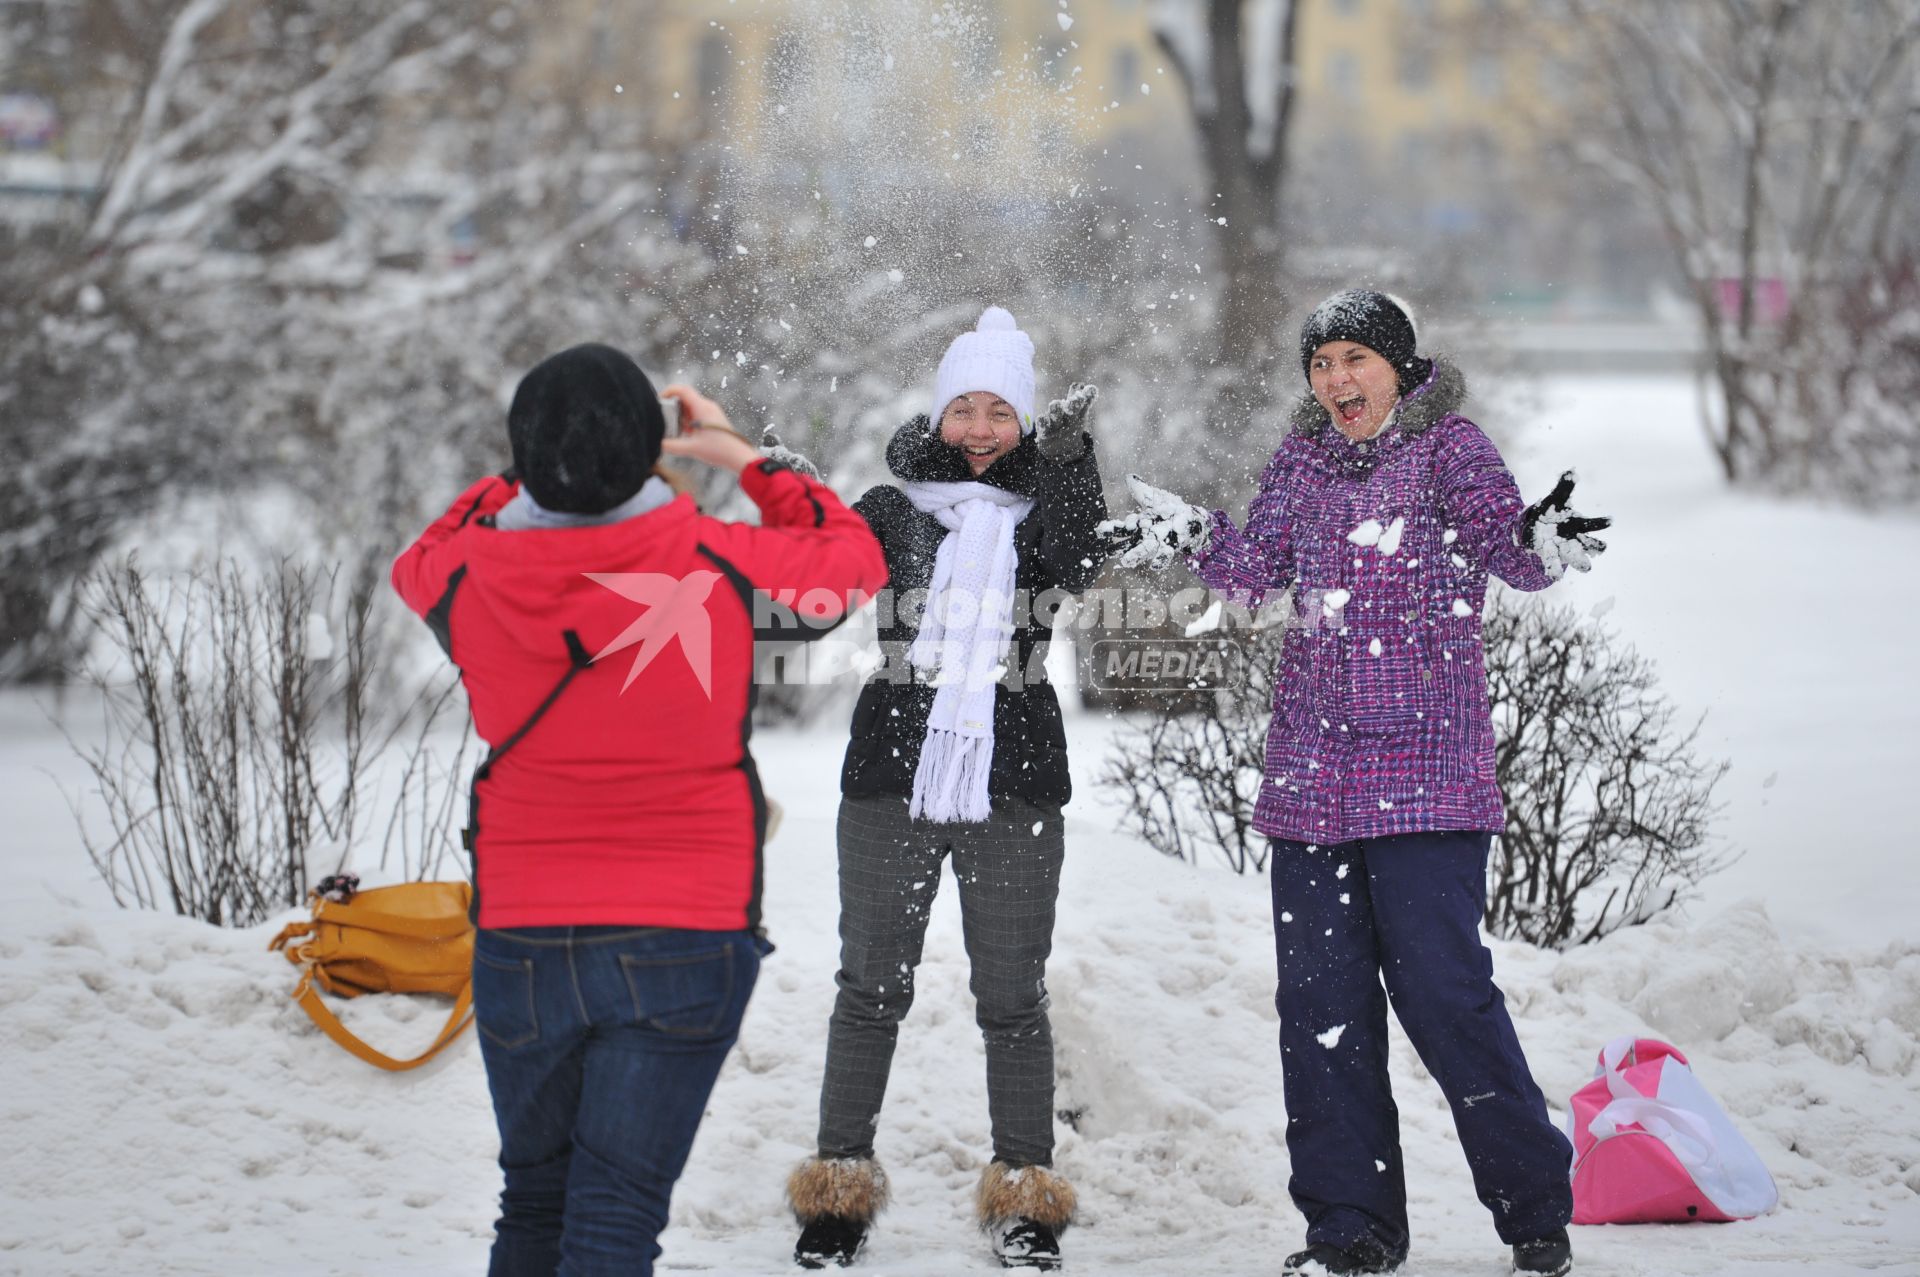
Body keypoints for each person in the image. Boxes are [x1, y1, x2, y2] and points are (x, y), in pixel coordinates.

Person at [1100, 291, 1610, 1277]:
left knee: (1447, 995)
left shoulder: (1450, 447)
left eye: (1354, 358)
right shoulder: (1302, 460)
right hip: (1314, 779)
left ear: (1400, 365)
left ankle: (1534, 1202)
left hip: (1426, 772)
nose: (1335, 379)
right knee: (1322, 1011)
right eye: (1320, 362)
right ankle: (1350, 1225)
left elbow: (1506, 546)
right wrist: (1195, 534)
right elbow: (1255, 572)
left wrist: (1541, 543)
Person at [390, 343, 887, 1277]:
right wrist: (740, 456)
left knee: (531, 1204)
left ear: (526, 453)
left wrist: (526, 467)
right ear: (647, 450)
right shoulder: (717, 557)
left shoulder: (465, 578)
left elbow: (417, 554)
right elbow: (851, 561)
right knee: (614, 1217)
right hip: (687, 934)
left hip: (524, 938)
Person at [780, 307, 1108, 1272]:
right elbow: (806, 611)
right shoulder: (888, 511)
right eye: (961, 407)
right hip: (891, 771)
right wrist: (792, 511)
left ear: (1023, 422)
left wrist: (1072, 459)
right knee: (869, 988)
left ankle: (1025, 1197)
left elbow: (1079, 561)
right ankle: (837, 1190)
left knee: (1013, 996)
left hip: (1015, 780)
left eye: (997, 411)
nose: (975, 428)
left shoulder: (1044, 514)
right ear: (936, 416)